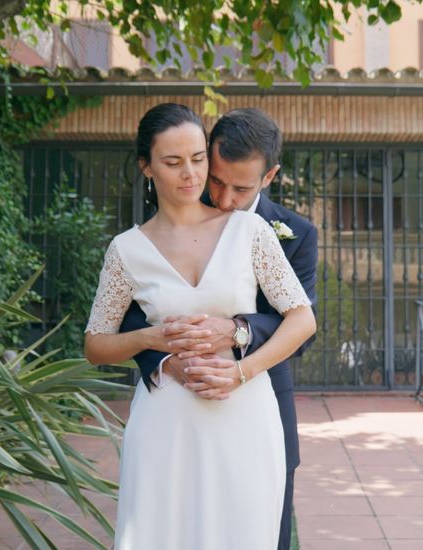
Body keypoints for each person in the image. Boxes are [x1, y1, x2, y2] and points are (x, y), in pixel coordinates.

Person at [83, 103, 316, 550]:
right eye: (173, 162)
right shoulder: (125, 250)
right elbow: (96, 345)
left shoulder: (250, 231)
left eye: (197, 159)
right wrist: (153, 339)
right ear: (146, 168)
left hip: (245, 412)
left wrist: (239, 368)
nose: (190, 174)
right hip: (164, 421)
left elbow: (302, 318)